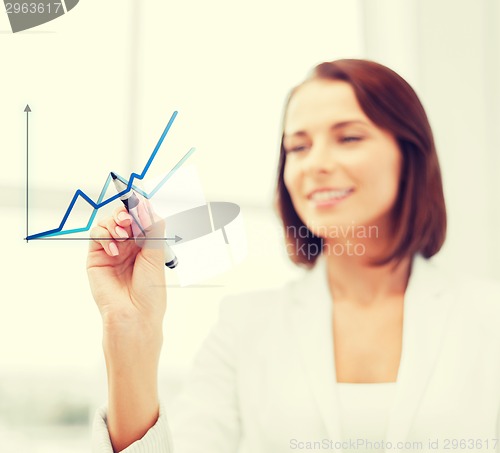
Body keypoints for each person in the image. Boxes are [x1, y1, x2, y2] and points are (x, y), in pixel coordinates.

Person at [87, 59, 500, 453]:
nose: (315, 164)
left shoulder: (488, 317)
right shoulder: (244, 327)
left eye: (349, 137)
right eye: (298, 147)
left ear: (410, 157)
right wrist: (130, 332)